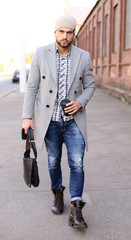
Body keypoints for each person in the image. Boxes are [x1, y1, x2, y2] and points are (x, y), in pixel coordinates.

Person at [22, 14, 95, 229]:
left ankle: (76, 209)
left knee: (77, 164)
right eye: (61, 31)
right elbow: (32, 86)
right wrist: (27, 117)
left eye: (69, 32)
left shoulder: (83, 56)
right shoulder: (40, 54)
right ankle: (57, 193)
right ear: (55, 32)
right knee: (53, 162)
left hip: (74, 122)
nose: (65, 36)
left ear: (74, 34)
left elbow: (90, 85)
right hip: (50, 121)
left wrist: (80, 102)